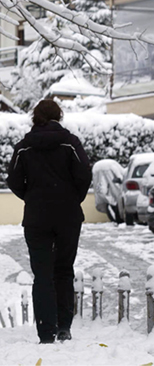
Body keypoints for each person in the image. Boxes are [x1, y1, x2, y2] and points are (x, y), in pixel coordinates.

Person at [6, 100, 92, 344]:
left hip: (36, 217)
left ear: (35, 117)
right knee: (64, 270)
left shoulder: (24, 147)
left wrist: (32, 197)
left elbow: (13, 180)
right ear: (59, 116)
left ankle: (46, 332)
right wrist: (72, 199)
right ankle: (64, 327)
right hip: (68, 216)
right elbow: (85, 173)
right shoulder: (70, 143)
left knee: (42, 274)